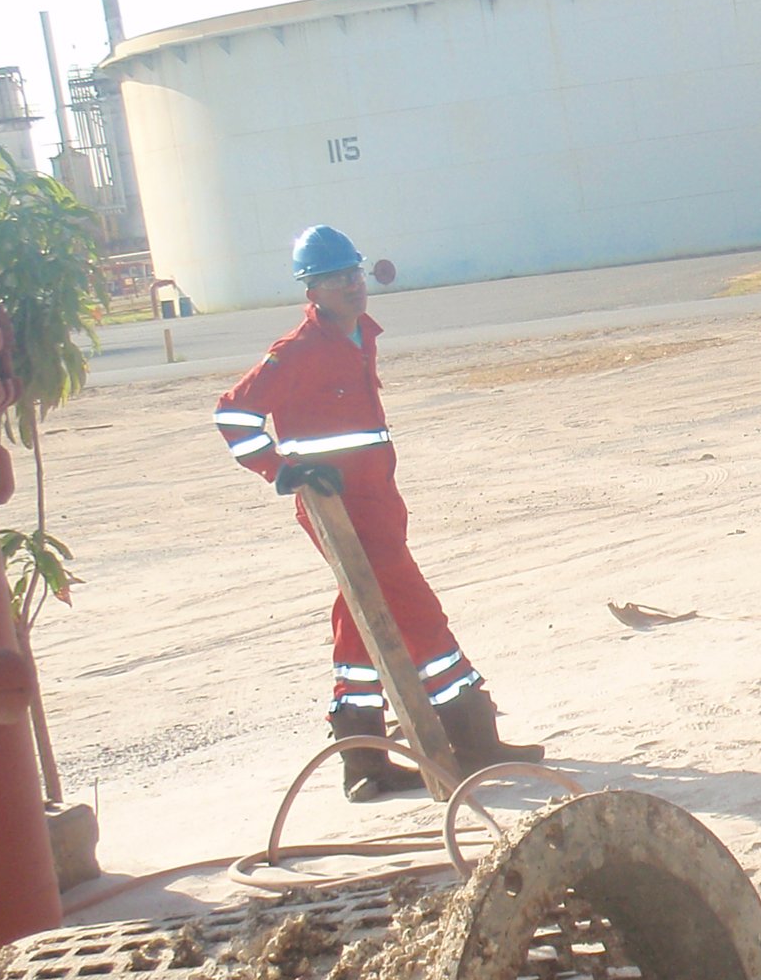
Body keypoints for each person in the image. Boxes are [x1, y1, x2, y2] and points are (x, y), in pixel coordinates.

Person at [214, 226, 541, 800]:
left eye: (355, 274)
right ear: (311, 288)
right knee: (417, 611)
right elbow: (234, 416)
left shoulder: (362, 336)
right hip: (338, 510)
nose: (352, 285)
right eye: (339, 277)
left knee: (359, 618)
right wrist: (280, 470)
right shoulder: (297, 351)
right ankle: (471, 733)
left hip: (379, 501)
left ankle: (364, 761)